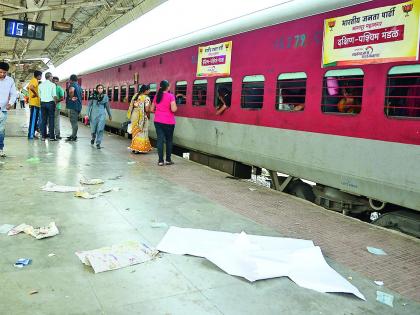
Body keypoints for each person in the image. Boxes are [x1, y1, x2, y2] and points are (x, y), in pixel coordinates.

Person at [151, 80, 177, 166]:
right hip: (169, 122)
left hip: (158, 121)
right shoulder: (171, 96)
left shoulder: (156, 96)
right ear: (168, 87)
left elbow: (151, 109)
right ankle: (168, 160)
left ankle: (160, 161)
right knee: (169, 141)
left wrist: (158, 112)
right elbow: (173, 109)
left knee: (160, 140)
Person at [127, 84, 152, 153]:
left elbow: (132, 106)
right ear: (146, 91)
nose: (149, 91)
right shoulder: (146, 98)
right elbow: (147, 110)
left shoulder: (135, 96)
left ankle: (134, 148)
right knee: (142, 131)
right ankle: (140, 149)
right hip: (142, 117)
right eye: (149, 90)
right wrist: (152, 110)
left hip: (134, 116)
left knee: (135, 131)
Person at [0, 62, 17, 157]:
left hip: (3, 110)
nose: (2, 74)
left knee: (1, 130)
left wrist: (10, 103)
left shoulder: (10, 81)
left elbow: (14, 94)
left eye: (4, 73)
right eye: (0, 72)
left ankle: (0, 148)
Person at [87, 84, 112, 149]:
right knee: (93, 129)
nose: (100, 89)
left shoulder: (105, 96)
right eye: (99, 88)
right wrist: (87, 114)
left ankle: (98, 143)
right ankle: (93, 137)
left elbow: (107, 106)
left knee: (100, 129)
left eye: (101, 88)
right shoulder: (93, 96)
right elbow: (89, 106)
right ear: (97, 89)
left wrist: (110, 115)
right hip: (93, 114)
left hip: (102, 114)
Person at [38, 72, 58, 141]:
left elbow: (39, 95)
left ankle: (43, 136)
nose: (52, 78)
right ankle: (52, 137)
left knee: (44, 120)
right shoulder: (53, 85)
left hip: (43, 103)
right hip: (50, 103)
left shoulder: (40, 85)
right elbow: (54, 95)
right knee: (51, 120)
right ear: (50, 77)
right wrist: (56, 103)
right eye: (52, 77)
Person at [65, 74, 82, 141]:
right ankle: (73, 135)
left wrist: (70, 97)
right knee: (74, 121)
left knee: (73, 121)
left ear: (71, 80)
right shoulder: (79, 86)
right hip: (78, 106)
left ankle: (74, 136)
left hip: (74, 106)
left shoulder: (72, 85)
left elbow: (71, 91)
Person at [27, 70, 42, 139]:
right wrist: (36, 94)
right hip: (34, 103)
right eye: (41, 76)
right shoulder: (35, 80)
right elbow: (31, 87)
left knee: (34, 119)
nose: (41, 77)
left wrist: (32, 94)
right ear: (38, 76)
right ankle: (31, 135)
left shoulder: (33, 80)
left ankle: (32, 134)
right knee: (33, 120)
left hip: (35, 103)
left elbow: (28, 88)